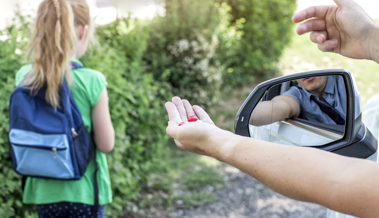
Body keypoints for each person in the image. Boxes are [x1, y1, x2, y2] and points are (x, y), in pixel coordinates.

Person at [165, 0, 379, 217]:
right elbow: (277, 107)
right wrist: (371, 39)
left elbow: (340, 179)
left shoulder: (343, 85)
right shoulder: (297, 95)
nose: (306, 77)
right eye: (301, 76)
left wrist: (215, 141)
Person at [15, 0, 115, 217]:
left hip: (44, 193)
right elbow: (106, 145)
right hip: (86, 191)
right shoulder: (93, 81)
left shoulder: (24, 76)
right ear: (83, 30)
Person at [250, 75, 346, 126]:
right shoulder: (296, 94)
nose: (306, 72)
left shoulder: (343, 80)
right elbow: (279, 106)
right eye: (299, 70)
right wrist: (250, 111)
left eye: (310, 61)